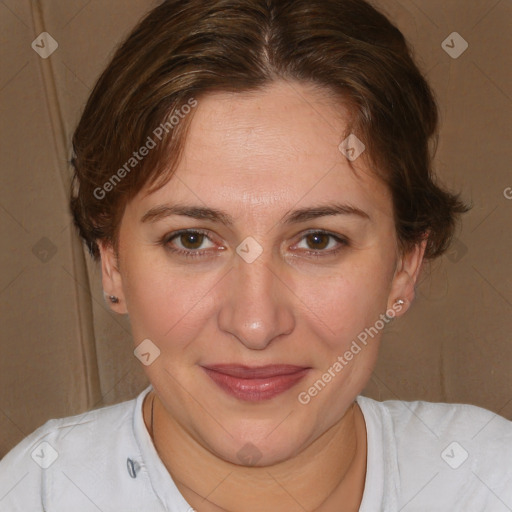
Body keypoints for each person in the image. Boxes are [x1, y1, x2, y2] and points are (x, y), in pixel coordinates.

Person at [1, 0, 511, 510]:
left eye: (318, 240)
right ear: (112, 263)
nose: (255, 324)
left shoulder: (487, 478)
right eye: (192, 239)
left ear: (404, 268)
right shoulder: (36, 492)